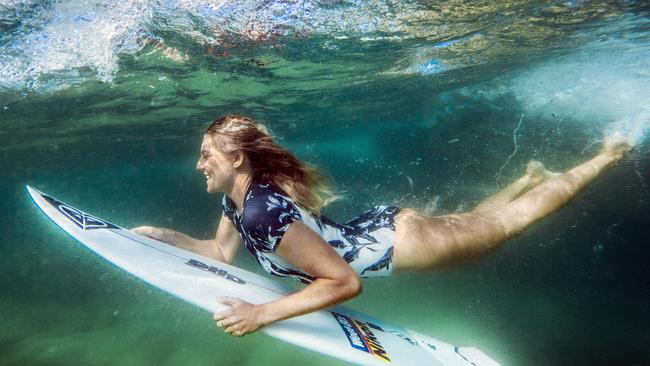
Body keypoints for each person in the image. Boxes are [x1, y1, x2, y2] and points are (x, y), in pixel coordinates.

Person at [132, 114, 633, 337]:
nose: (198, 164)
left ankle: (606, 157)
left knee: (508, 224)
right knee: (484, 225)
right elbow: (217, 253)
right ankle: (530, 176)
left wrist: (261, 315)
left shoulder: (261, 212)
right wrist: (161, 237)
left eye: (205, 155)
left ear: (236, 158)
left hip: (403, 245)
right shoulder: (238, 204)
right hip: (383, 231)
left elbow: (344, 284)